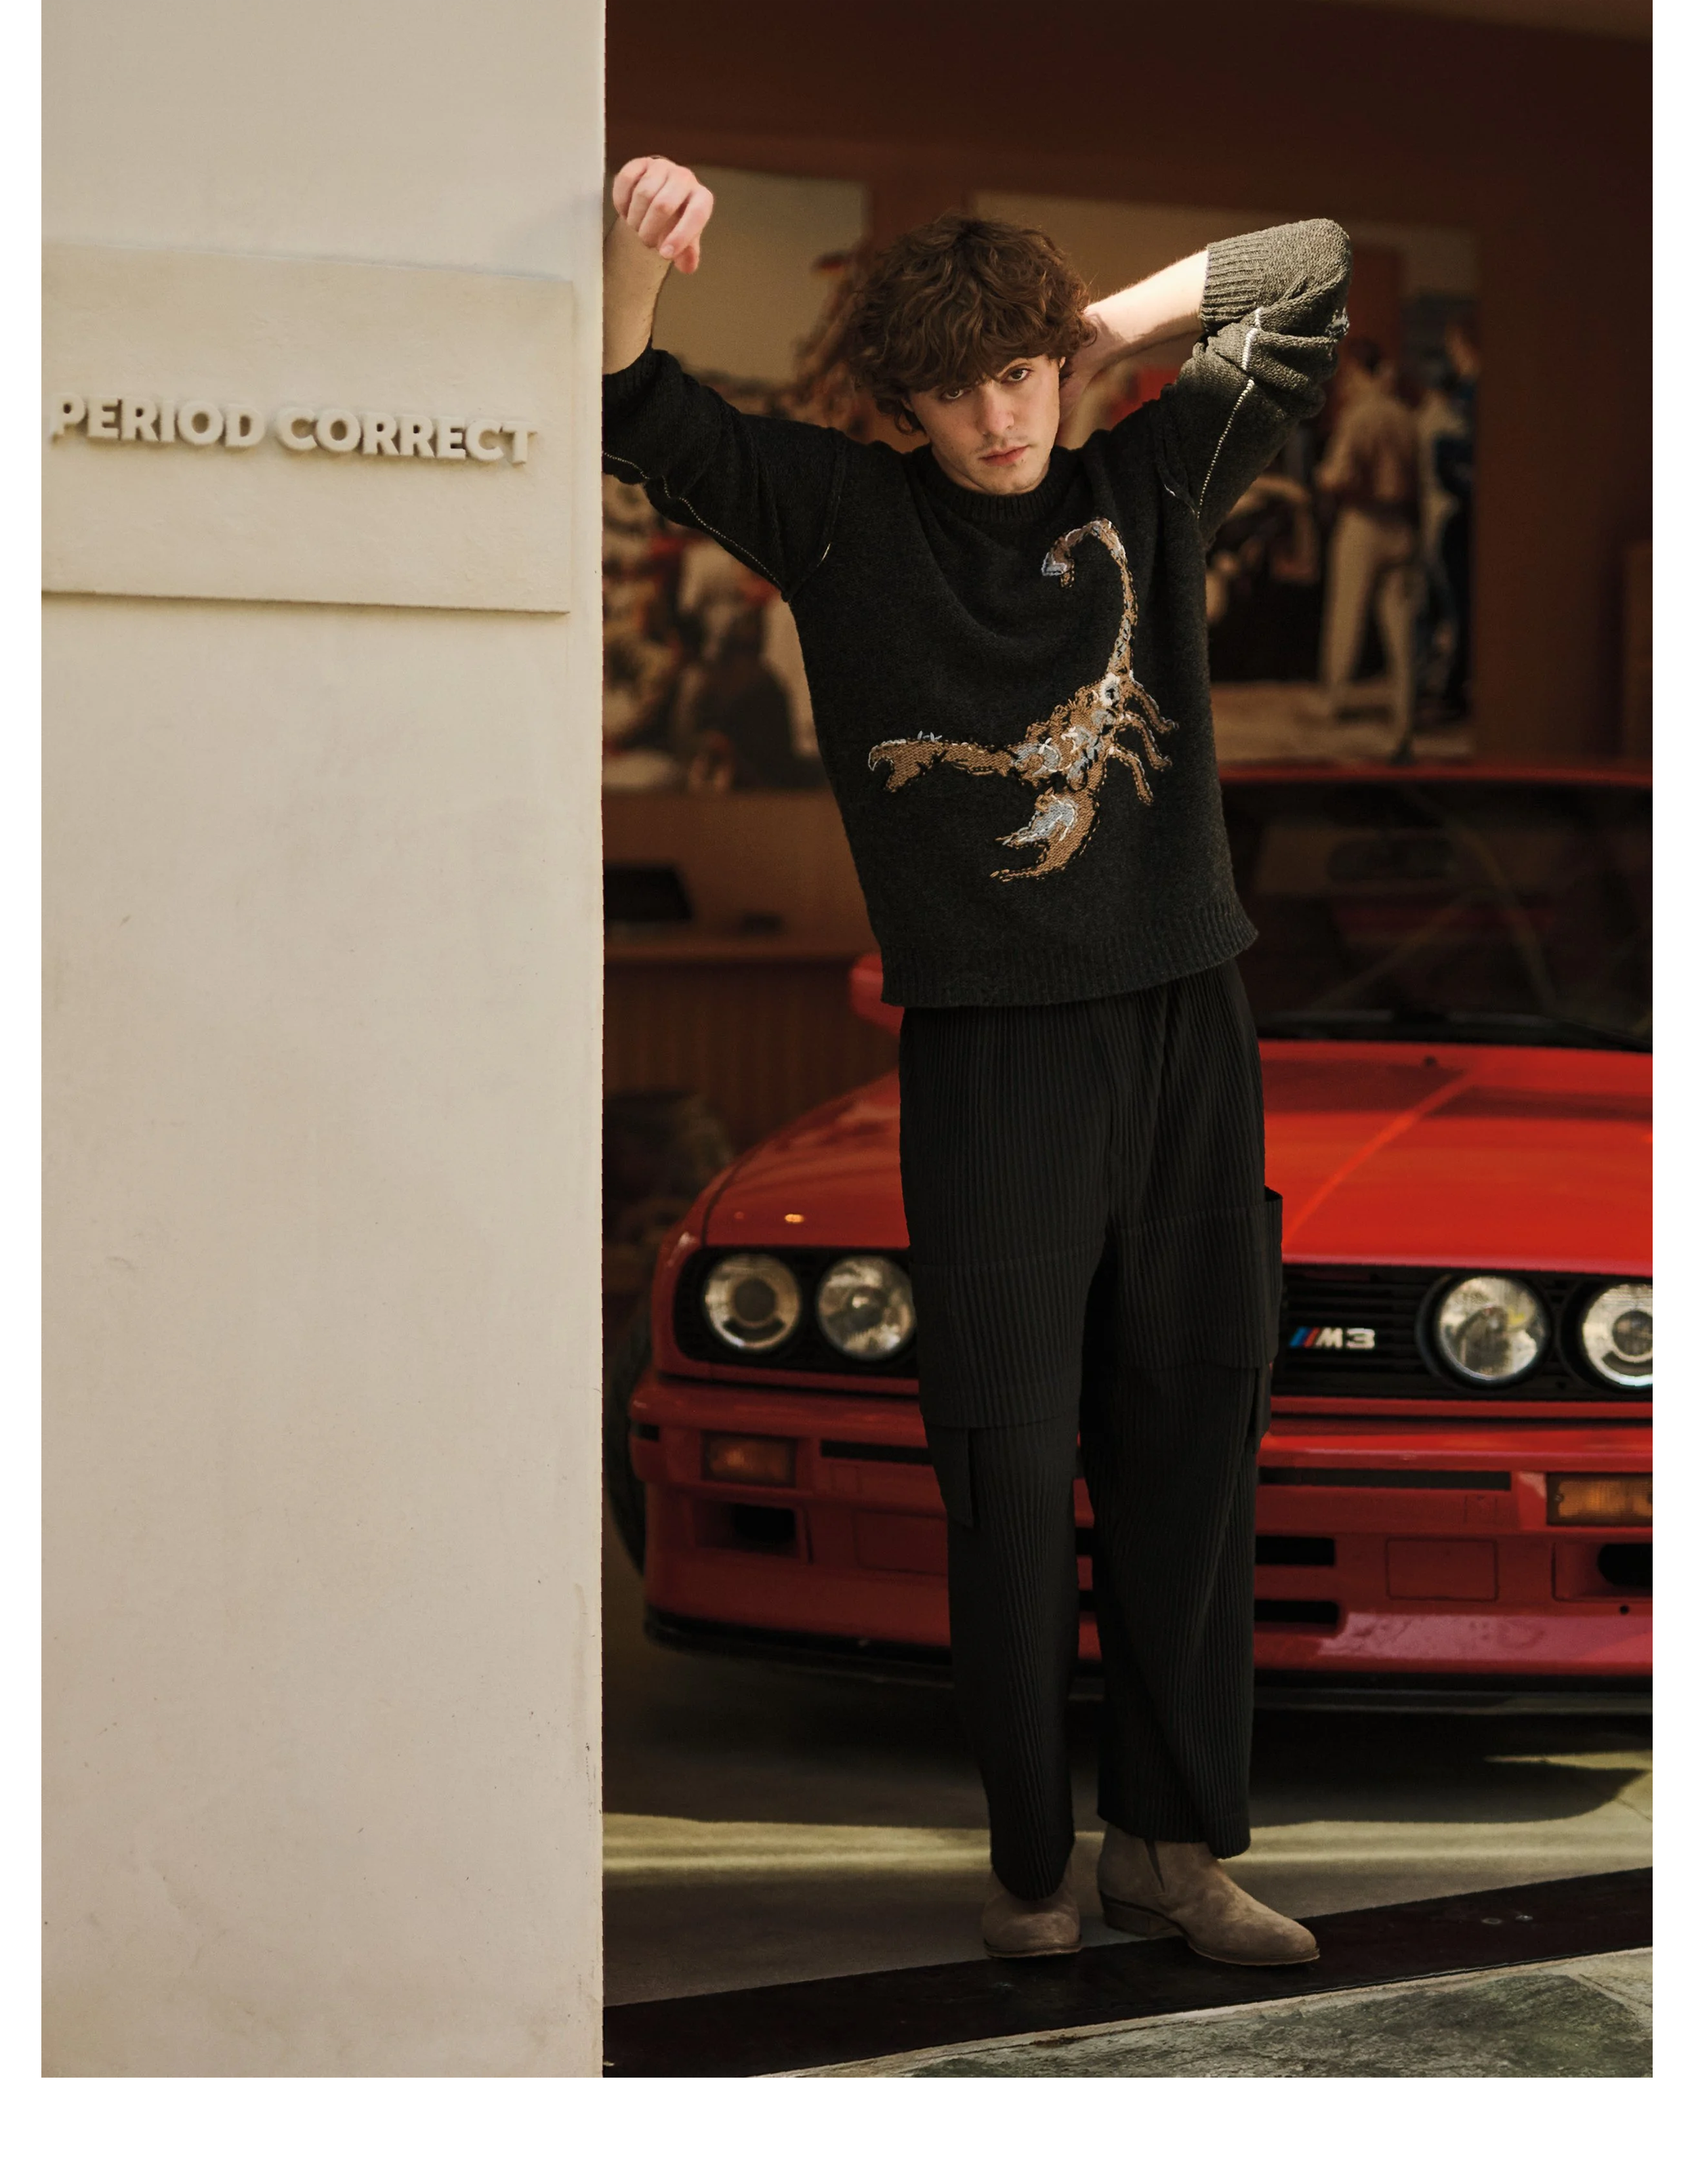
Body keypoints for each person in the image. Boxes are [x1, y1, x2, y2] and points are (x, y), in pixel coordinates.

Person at [603, 158, 1350, 1967]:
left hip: (1185, 1026)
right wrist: (630, 252)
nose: (997, 417)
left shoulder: (1148, 475)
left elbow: (1312, 261)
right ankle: (1029, 1864)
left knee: (1192, 1436)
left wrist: (1093, 330)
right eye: (956, 390)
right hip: (990, 1057)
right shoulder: (841, 520)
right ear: (905, 405)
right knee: (1005, 1469)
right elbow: (630, 401)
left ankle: (1169, 1850)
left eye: (1015, 376)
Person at [1312, 335, 1422, 747]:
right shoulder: (1405, 416)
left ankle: (1336, 699)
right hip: (1401, 525)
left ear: (1358, 371)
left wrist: (1323, 478)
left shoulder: (1359, 417)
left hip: (1364, 522)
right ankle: (1406, 707)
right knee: (1401, 625)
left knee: (1347, 615)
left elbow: (1339, 475)